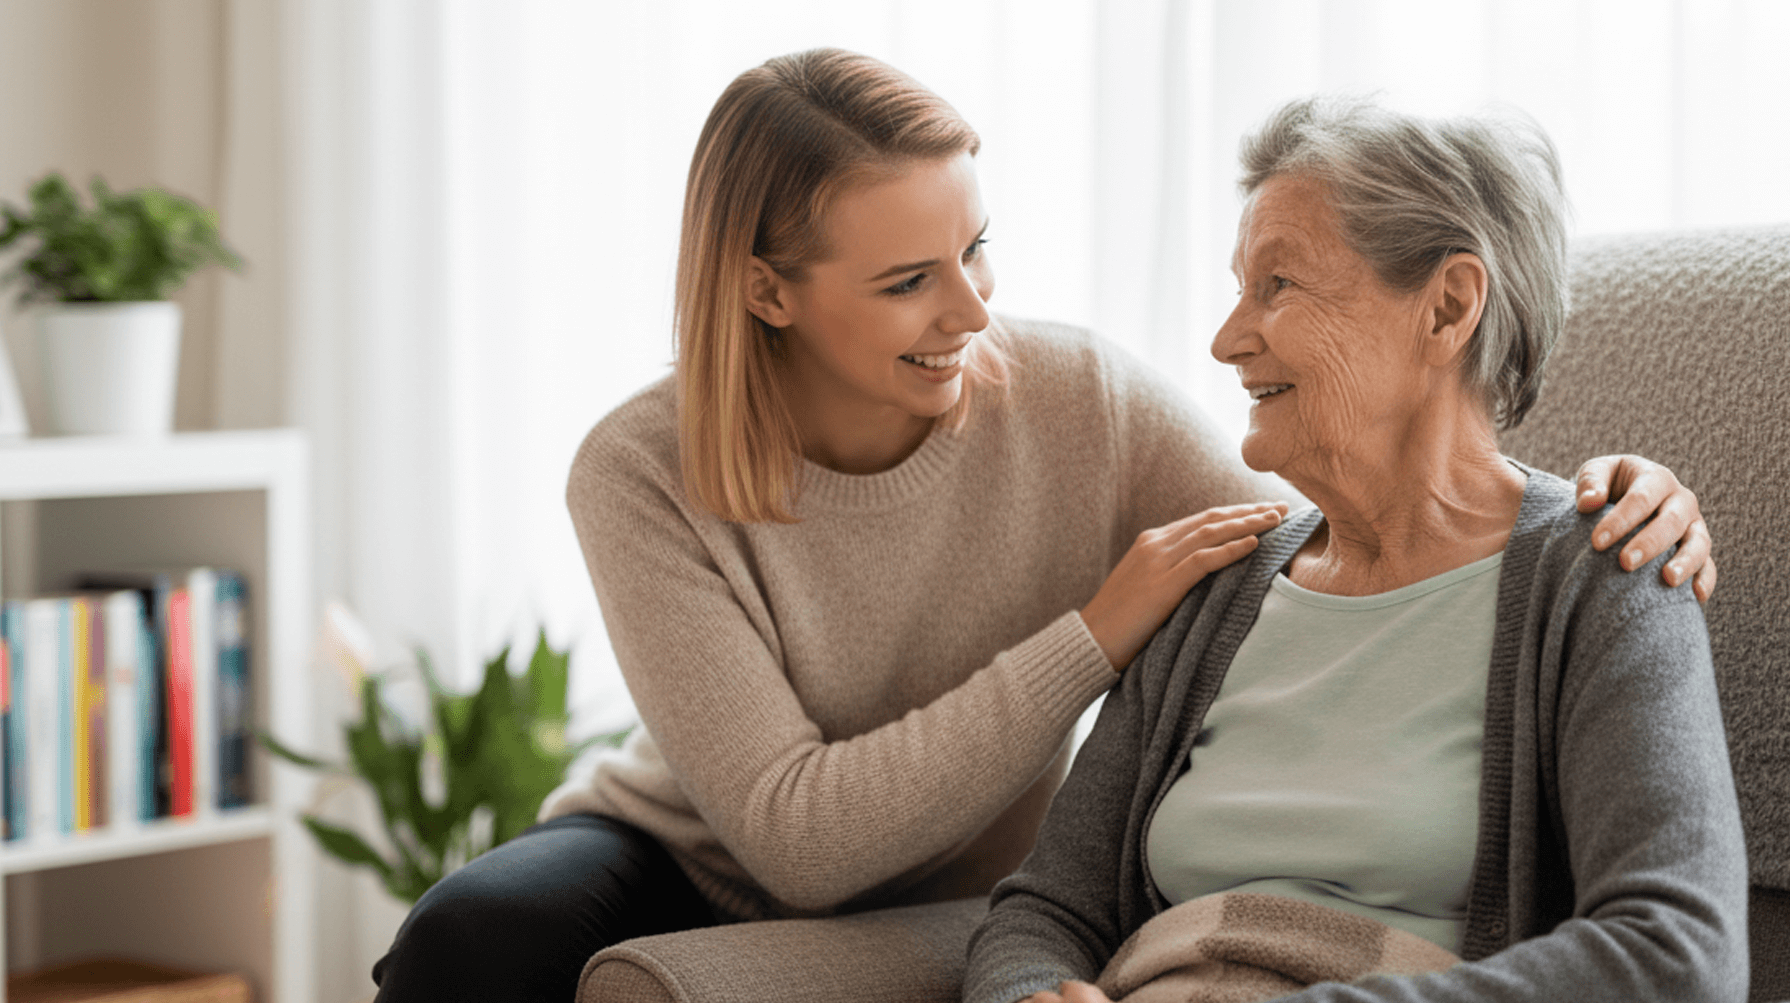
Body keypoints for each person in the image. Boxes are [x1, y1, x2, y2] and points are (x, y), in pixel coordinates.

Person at [371, 52, 1717, 1003]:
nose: (970, 311)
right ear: (770, 294)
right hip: (704, 845)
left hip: (967, 877)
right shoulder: (641, 467)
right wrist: (1092, 639)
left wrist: (1624, 496)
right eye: (907, 280)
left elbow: (1386, 521)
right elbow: (813, 843)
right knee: (471, 942)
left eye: (978, 251)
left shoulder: (1087, 406)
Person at [962, 96, 1747, 1003]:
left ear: (1448, 307)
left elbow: (1679, 956)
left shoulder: (1607, 574)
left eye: (1279, 286)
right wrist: (1028, 990)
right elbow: (1044, 909)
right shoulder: (1217, 589)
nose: (1225, 341)